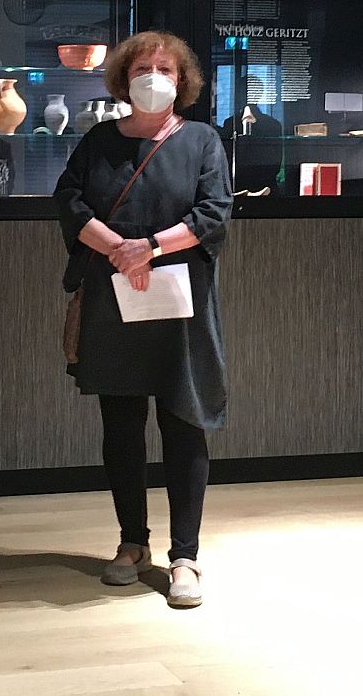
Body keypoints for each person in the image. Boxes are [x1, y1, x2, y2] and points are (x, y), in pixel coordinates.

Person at [53, 30, 232, 608]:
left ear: (183, 81)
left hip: (180, 301)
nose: (154, 77)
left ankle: (186, 556)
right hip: (113, 295)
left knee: (184, 422)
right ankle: (133, 542)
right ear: (123, 80)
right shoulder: (99, 140)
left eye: (165, 69)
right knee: (122, 426)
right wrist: (116, 248)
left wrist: (148, 248)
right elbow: (69, 200)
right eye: (141, 68)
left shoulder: (202, 140)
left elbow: (214, 213)